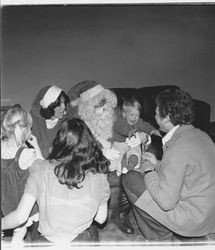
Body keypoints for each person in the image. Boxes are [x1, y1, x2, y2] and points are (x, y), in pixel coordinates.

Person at [122, 88, 215, 241]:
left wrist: (148, 171)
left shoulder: (178, 148)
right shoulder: (201, 135)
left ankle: (161, 238)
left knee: (131, 178)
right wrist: (158, 164)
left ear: (166, 118)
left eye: (157, 113)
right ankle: (205, 234)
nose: (154, 116)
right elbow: (187, 172)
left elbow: (166, 202)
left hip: (193, 220)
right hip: (212, 216)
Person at [2, 118, 110, 243]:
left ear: (59, 141)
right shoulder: (99, 175)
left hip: (47, 242)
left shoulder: (40, 168)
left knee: (36, 219)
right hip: (81, 241)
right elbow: (101, 219)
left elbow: (21, 217)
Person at [67, 81, 148, 235]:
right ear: (89, 108)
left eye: (106, 104)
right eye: (99, 106)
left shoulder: (115, 112)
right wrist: (100, 151)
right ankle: (88, 219)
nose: (105, 109)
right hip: (94, 157)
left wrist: (141, 136)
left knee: (131, 170)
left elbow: (137, 125)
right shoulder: (80, 122)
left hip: (120, 153)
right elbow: (78, 144)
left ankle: (121, 214)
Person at [1, 105, 43, 245]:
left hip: (5, 202)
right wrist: (36, 147)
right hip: (22, 204)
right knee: (20, 233)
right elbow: (43, 170)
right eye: (30, 127)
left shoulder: (2, 146)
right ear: (24, 130)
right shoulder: (26, 154)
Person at [112, 97, 161, 174]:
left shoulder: (138, 122)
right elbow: (121, 129)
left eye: (137, 115)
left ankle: (131, 165)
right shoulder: (120, 122)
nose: (134, 118)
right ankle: (116, 168)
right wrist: (132, 132)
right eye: (132, 115)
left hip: (133, 144)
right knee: (116, 154)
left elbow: (145, 126)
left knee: (136, 152)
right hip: (120, 143)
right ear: (124, 114)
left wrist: (152, 130)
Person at [30, 85, 70, 158]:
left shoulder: (66, 122)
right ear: (50, 105)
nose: (64, 107)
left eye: (64, 103)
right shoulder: (32, 121)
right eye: (60, 104)